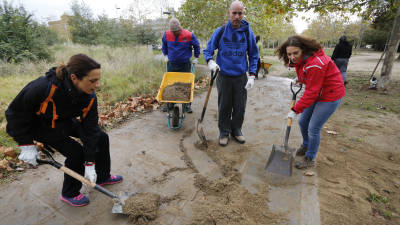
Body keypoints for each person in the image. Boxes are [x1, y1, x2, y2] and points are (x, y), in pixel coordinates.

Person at [5, 54, 123, 207]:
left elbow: (90, 129)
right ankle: (69, 193)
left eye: (98, 79)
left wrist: (90, 163)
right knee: (76, 154)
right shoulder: (43, 87)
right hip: (42, 127)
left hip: (65, 122)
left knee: (101, 137)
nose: (98, 85)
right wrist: (25, 144)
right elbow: (15, 113)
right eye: (93, 81)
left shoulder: (89, 97)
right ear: (74, 78)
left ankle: (102, 176)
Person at [276, 35, 345, 169]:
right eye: (289, 54)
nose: (292, 57)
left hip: (331, 95)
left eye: (295, 53)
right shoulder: (302, 60)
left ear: (303, 50)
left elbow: (311, 92)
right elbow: (309, 76)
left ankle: (310, 158)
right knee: (303, 122)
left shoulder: (316, 64)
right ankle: (306, 145)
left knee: (313, 128)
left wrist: (295, 110)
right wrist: (300, 78)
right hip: (319, 92)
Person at [203, 0, 259, 146]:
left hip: (241, 77)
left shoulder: (248, 32)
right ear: (229, 13)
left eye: (240, 13)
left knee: (240, 106)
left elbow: (253, 54)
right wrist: (210, 61)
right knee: (224, 105)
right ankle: (224, 132)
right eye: (234, 13)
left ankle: (236, 130)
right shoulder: (220, 31)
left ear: (243, 14)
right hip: (223, 76)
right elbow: (208, 50)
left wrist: (252, 75)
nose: (237, 16)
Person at [162, 18, 201, 113]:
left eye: (177, 31)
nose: (175, 33)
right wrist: (165, 55)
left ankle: (186, 105)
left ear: (180, 28)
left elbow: (197, 45)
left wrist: (196, 57)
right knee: (171, 84)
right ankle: (170, 104)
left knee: (185, 84)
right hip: (172, 64)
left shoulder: (188, 35)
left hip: (184, 64)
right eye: (173, 32)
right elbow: (164, 45)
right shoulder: (166, 34)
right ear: (171, 31)